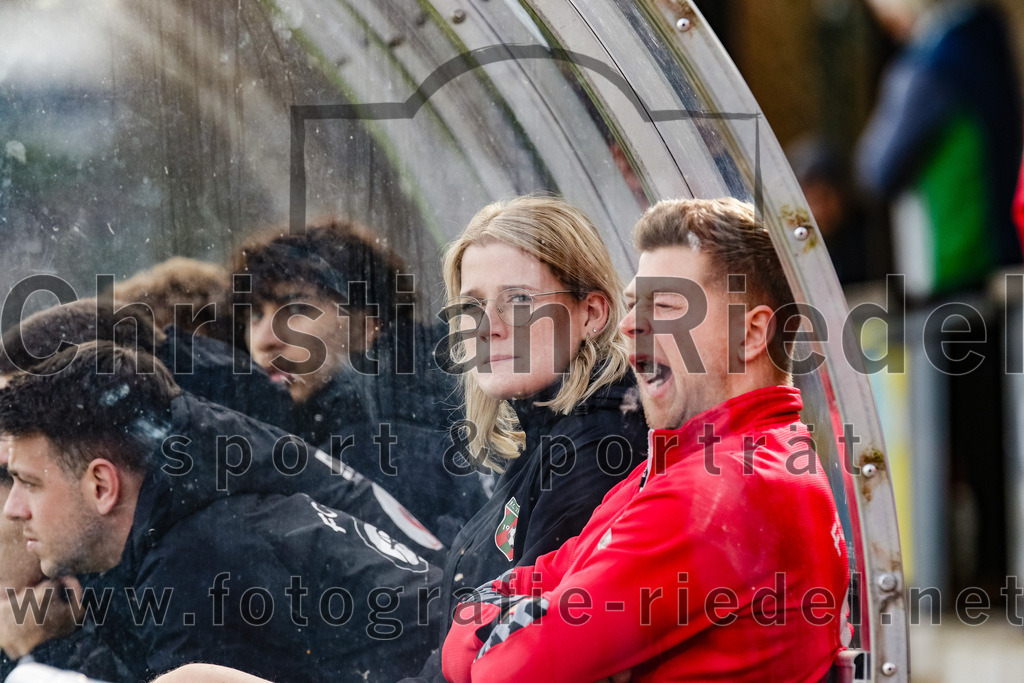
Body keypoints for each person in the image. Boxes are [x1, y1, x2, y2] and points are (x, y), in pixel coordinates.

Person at [441, 197, 850, 682]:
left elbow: (506, 671)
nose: (631, 324)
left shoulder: (720, 491)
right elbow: (525, 591)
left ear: (751, 332)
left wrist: (499, 621)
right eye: (635, 303)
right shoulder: (682, 466)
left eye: (668, 307)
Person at [0, 341, 440, 682]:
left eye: (29, 483)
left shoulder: (201, 564)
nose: (14, 508)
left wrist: (42, 653)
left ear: (102, 486)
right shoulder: (191, 514)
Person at [233, 219, 482, 538]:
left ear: (367, 326)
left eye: (295, 309)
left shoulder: (384, 442)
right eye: (254, 314)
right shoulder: (312, 429)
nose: (265, 339)